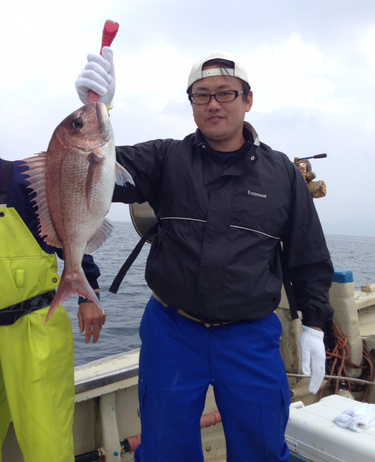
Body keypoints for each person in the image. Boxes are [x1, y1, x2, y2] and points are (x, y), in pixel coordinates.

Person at [75, 49, 334, 462]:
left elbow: (308, 254)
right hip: (172, 332)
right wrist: (95, 113)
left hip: (250, 337)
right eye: (201, 95)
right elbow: (91, 171)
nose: (213, 103)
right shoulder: (164, 158)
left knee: (263, 449)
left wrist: (316, 324)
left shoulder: (282, 172)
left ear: (248, 100)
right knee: (164, 450)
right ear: (191, 103)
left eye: (225, 93)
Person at [0, 158, 106, 462]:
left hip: (34, 329)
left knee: (47, 443)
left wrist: (89, 296)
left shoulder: (23, 178)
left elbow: (73, 231)